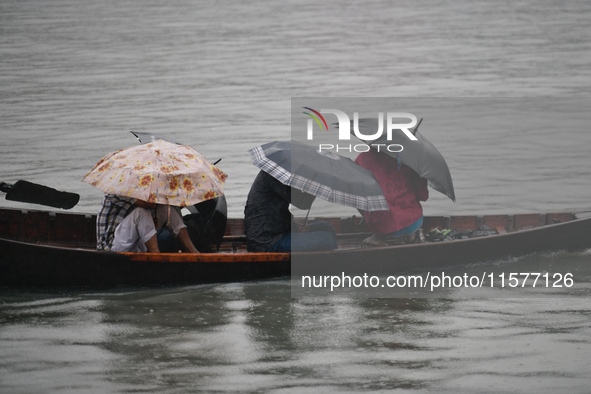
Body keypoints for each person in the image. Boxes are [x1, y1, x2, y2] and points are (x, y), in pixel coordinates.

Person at [244, 171, 337, 252]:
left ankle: (331, 263)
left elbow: (279, 210)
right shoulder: (275, 176)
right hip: (266, 242)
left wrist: (294, 226)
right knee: (326, 239)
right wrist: (319, 179)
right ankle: (332, 264)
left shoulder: (282, 174)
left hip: (277, 231)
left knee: (326, 227)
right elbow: (303, 202)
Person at [355, 149, 428, 247]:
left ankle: (378, 236)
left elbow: (355, 196)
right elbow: (423, 196)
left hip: (381, 225)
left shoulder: (362, 159)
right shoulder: (410, 159)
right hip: (412, 223)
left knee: (359, 197)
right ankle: (411, 234)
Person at [96, 194, 199, 253]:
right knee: (141, 212)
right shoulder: (116, 192)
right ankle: (156, 256)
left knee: (165, 209)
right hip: (111, 247)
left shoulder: (136, 192)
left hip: (131, 243)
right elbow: (149, 204)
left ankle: (193, 251)